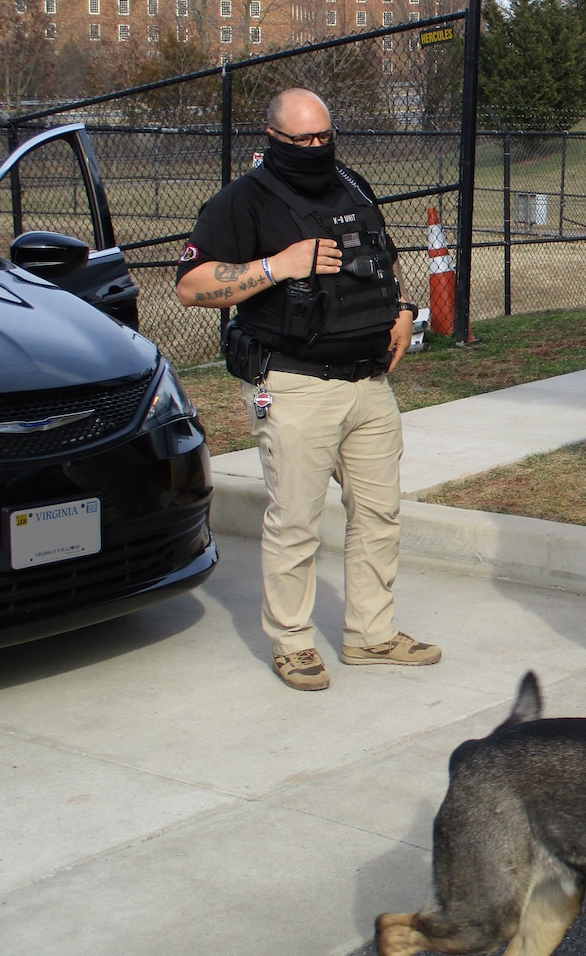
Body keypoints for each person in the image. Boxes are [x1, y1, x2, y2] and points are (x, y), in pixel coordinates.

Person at [176, 87, 439, 691]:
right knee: (296, 519)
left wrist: (403, 307)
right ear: (273, 139)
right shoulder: (241, 204)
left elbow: (382, 258)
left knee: (379, 514)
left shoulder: (352, 184)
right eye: (304, 140)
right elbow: (190, 286)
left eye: (325, 136)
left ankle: (371, 634)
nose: (318, 149)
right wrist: (278, 265)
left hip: (369, 382)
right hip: (293, 384)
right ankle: (292, 642)